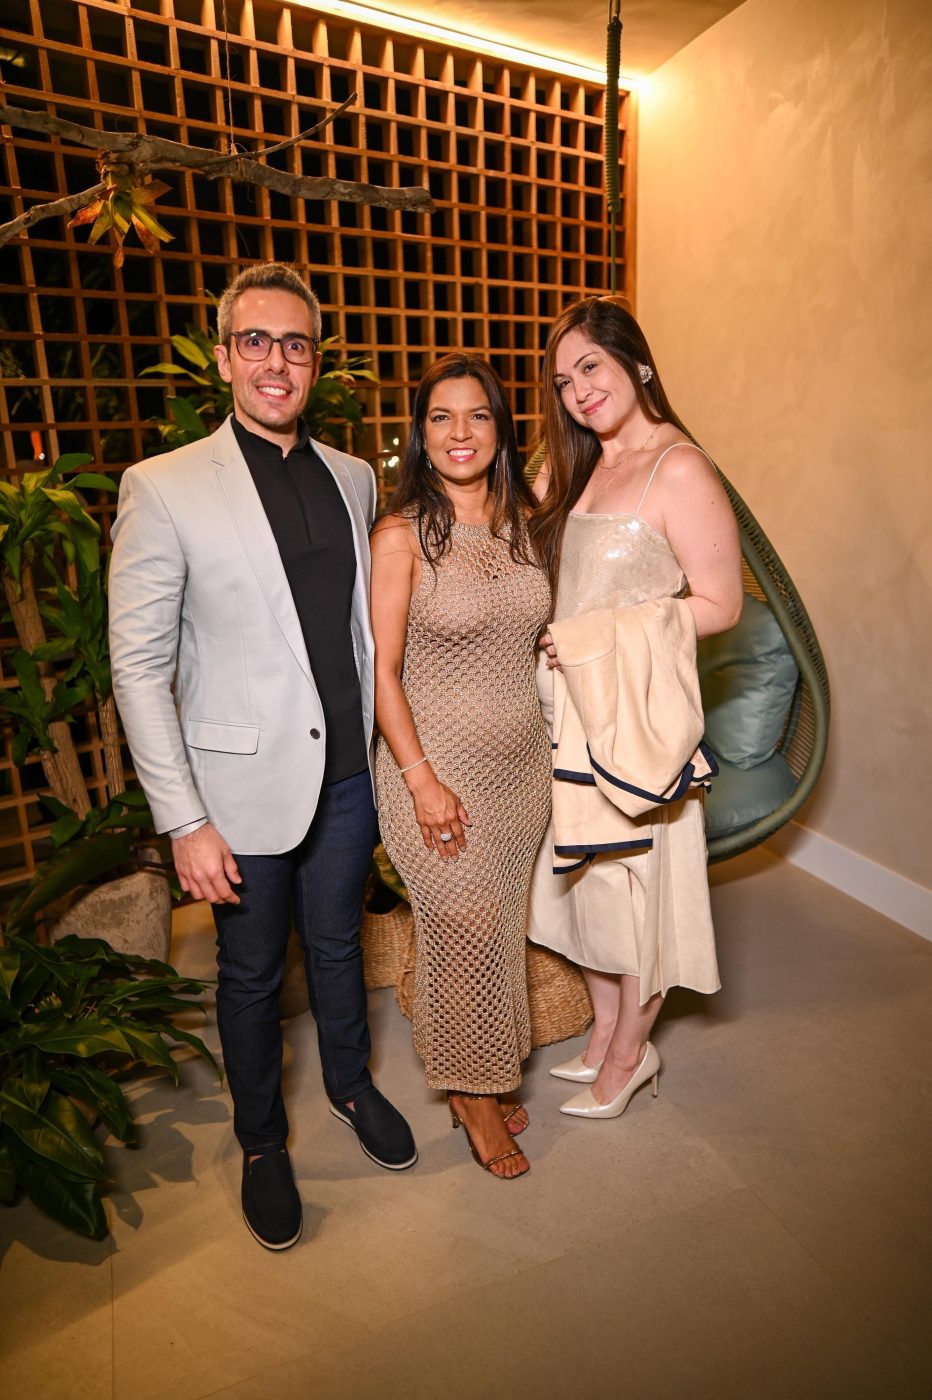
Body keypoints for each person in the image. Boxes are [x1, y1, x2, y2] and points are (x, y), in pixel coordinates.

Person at [108, 261, 416, 1251]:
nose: (275, 360)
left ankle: (350, 1084)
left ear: (314, 361)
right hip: (236, 787)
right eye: (256, 340)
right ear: (222, 353)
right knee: (247, 974)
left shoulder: (353, 474)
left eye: (295, 343)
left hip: (346, 780)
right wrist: (184, 817)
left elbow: (367, 631)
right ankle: (259, 1141)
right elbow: (137, 663)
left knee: (336, 948)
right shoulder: (162, 486)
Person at [527, 295, 743, 1119]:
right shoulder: (575, 463)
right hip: (564, 713)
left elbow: (720, 603)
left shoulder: (677, 466)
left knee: (637, 894)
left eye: (591, 366)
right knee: (581, 887)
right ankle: (607, 1023)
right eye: (562, 379)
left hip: (631, 719)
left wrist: (598, 635)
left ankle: (630, 1055)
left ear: (636, 362)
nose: (579, 391)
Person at [370, 354, 551, 1179]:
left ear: (501, 428)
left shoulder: (527, 518)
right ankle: (472, 1098)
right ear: (420, 433)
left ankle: (485, 1067)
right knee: (461, 928)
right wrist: (421, 781)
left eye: (477, 415)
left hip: (521, 771)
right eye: (441, 417)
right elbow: (380, 671)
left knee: (499, 926)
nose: (460, 433)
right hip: (432, 771)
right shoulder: (401, 534)